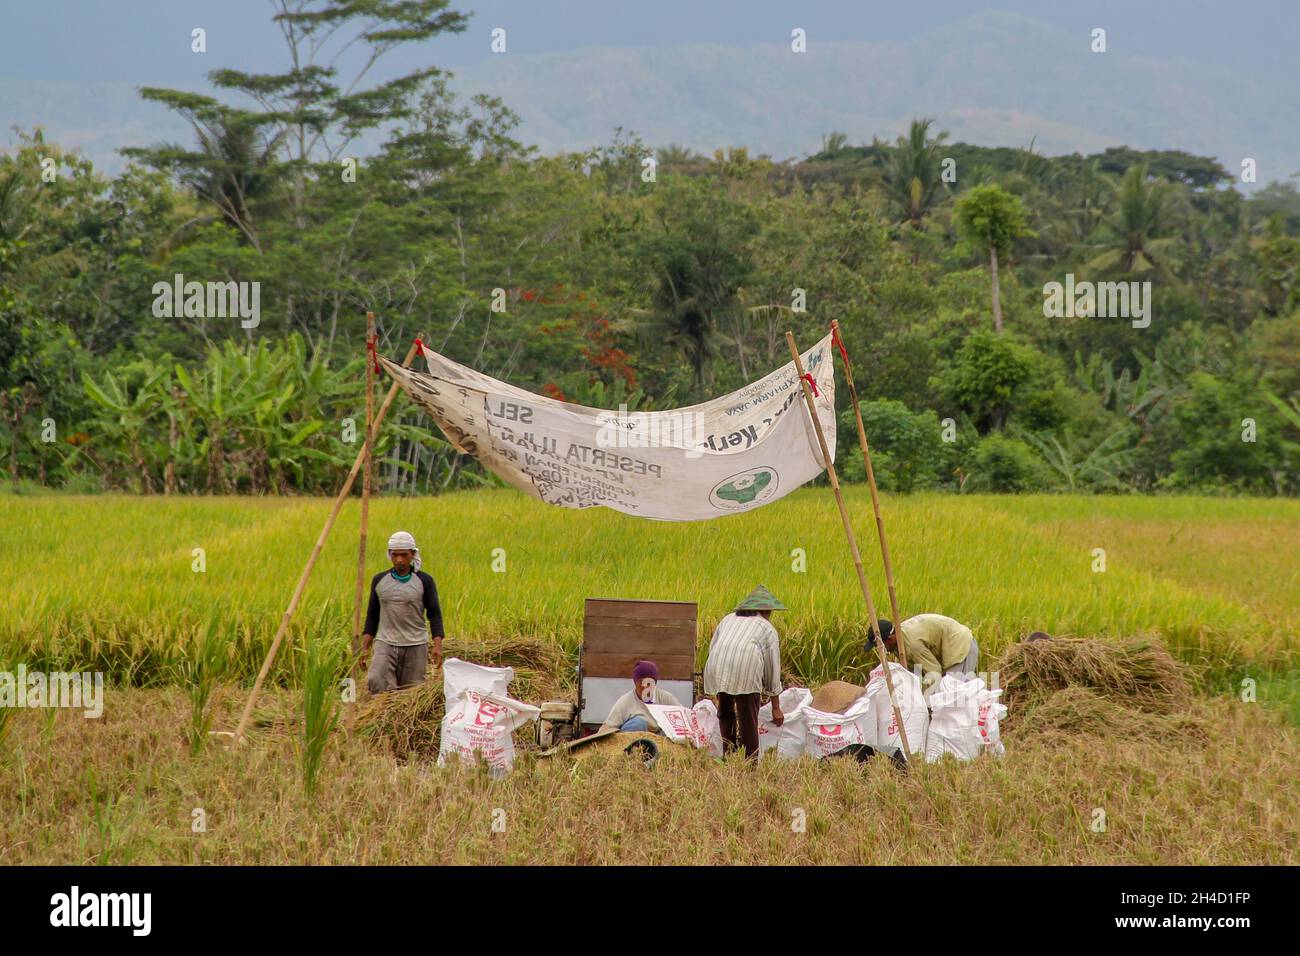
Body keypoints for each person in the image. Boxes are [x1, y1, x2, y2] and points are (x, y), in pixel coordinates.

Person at [703, 585, 786, 758]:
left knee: (725, 713)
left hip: (718, 665)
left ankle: (730, 756)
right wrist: (776, 708)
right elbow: (772, 670)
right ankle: (750, 762)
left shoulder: (727, 619)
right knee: (748, 718)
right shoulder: (766, 628)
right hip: (746, 667)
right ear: (765, 611)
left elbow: (713, 647)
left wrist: (718, 681)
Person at [362, 530, 444, 694]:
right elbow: (372, 616)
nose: (399, 560)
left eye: (404, 555)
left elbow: (434, 614)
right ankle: (381, 716)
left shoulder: (424, 581)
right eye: (395, 555)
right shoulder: (379, 581)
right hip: (386, 641)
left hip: (415, 644)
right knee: (377, 680)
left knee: (411, 693)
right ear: (389, 555)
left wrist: (437, 646)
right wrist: (365, 648)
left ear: (413, 554)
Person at [873, 613, 978, 682]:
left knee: (954, 694)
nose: (881, 649)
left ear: (890, 639)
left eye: (881, 646)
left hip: (960, 645)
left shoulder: (912, 645)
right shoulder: (899, 642)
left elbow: (934, 672)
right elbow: (915, 672)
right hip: (948, 645)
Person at [599, 659, 682, 733]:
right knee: (639, 723)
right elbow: (608, 726)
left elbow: (683, 717)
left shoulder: (666, 698)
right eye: (641, 683)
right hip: (636, 741)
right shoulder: (625, 702)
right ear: (635, 683)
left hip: (659, 739)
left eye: (649, 683)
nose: (645, 687)